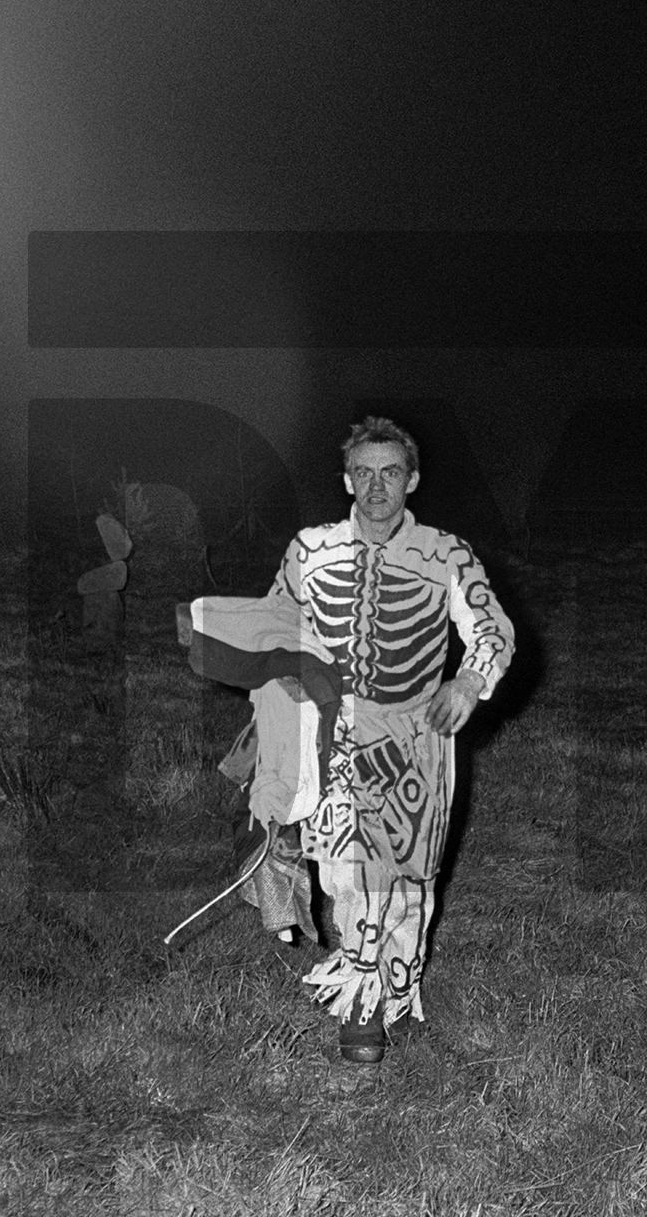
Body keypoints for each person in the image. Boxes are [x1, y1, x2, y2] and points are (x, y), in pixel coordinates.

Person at [263, 415, 514, 1063]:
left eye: (392, 472)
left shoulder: (447, 553)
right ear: (347, 479)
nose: (378, 486)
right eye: (365, 472)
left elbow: (493, 630)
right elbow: (273, 627)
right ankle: (363, 1005)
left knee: (407, 878)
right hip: (336, 730)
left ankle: (394, 989)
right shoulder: (310, 550)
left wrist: (466, 683)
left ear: (414, 479)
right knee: (347, 873)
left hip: (417, 734)